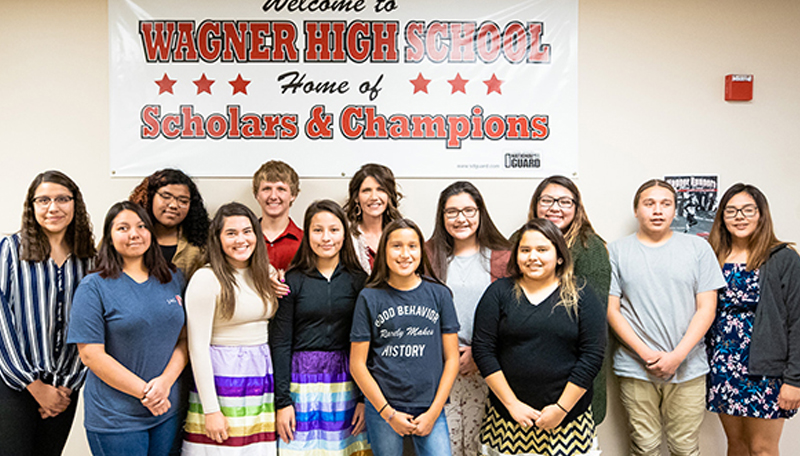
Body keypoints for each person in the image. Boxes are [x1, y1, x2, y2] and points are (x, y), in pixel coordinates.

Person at [607, 179, 725, 456]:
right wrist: (646, 354)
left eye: (665, 204)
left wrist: (677, 356)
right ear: (636, 210)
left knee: (684, 447)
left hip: (689, 367)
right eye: (649, 204)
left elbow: (707, 308)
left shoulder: (698, 249)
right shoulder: (616, 251)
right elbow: (612, 310)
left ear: (675, 211)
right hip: (635, 366)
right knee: (644, 447)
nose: (657, 211)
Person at [472, 219, 606, 456]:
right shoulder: (499, 292)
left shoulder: (581, 294)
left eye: (542, 250)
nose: (532, 256)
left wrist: (562, 409)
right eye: (525, 250)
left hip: (568, 421)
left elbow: (592, 355)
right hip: (508, 419)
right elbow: (483, 350)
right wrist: (512, 405)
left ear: (559, 256)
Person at [68, 201, 187, 456]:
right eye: (123, 227)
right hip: (116, 416)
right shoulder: (93, 286)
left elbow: (184, 339)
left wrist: (164, 384)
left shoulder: (172, 277)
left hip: (166, 409)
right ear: (110, 237)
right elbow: (90, 354)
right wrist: (147, 393)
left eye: (142, 226)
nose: (134, 234)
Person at [0, 170, 96, 456]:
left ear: (75, 204)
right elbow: (1, 320)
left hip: (65, 387)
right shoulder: (9, 251)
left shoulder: (89, 259)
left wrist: (66, 386)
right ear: (32, 207)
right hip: (14, 383)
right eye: (43, 200)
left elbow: (93, 325)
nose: (53, 207)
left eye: (62, 199)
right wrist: (34, 385)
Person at [350, 218, 459, 456]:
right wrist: (388, 413)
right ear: (384, 251)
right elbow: (357, 365)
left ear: (421, 250)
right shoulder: (369, 297)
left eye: (412, 246)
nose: (405, 254)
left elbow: (452, 359)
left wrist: (434, 411)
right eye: (396, 246)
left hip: (431, 405)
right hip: (383, 408)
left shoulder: (439, 294)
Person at [270, 200, 371, 456]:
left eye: (334, 230)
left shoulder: (359, 281)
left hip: (348, 381)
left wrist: (364, 399)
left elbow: (370, 344)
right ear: (307, 234)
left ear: (344, 234)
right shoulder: (291, 281)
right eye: (318, 230)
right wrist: (282, 403)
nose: (326, 238)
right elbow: (280, 342)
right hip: (299, 384)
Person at [706, 183, 800, 456]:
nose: (740, 216)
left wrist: (794, 380)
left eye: (748, 210)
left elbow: (797, 322)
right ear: (722, 217)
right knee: (736, 446)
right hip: (723, 366)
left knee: (762, 449)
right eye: (731, 210)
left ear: (761, 215)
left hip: (767, 370)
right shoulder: (713, 257)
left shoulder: (783, 258)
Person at [181, 202, 278, 455]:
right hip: (223, 382)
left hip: (259, 382)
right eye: (231, 233)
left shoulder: (262, 274)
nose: (241, 240)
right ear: (218, 238)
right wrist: (211, 409)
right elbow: (197, 349)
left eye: (247, 231)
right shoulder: (206, 278)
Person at [426, 181, 510, 455]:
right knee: (444, 446)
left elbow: (512, 315)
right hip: (439, 365)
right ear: (441, 216)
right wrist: (447, 353)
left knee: (482, 446)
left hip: (487, 364)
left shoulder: (503, 256)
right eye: (452, 212)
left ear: (480, 212)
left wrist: (480, 353)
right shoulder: (426, 255)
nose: (461, 218)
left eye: (468, 210)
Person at [528, 175, 612, 424]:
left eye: (565, 201)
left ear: (577, 208)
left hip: (575, 364)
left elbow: (594, 319)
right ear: (535, 205)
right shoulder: (519, 240)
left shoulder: (590, 247)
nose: (555, 207)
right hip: (529, 362)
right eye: (547, 200)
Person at [129, 168, 209, 279]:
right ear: (150, 197)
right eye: (166, 197)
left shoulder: (201, 244)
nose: (173, 205)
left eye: (183, 201)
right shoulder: (125, 234)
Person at [343, 164, 403, 273]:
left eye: (381, 190)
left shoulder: (401, 234)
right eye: (366, 190)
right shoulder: (347, 238)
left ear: (389, 195)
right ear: (356, 197)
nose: (374, 197)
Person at [252, 160, 303, 272]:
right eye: (266, 189)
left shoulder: (306, 242)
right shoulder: (245, 240)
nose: (273, 196)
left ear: (293, 195)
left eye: (281, 189)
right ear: (256, 195)